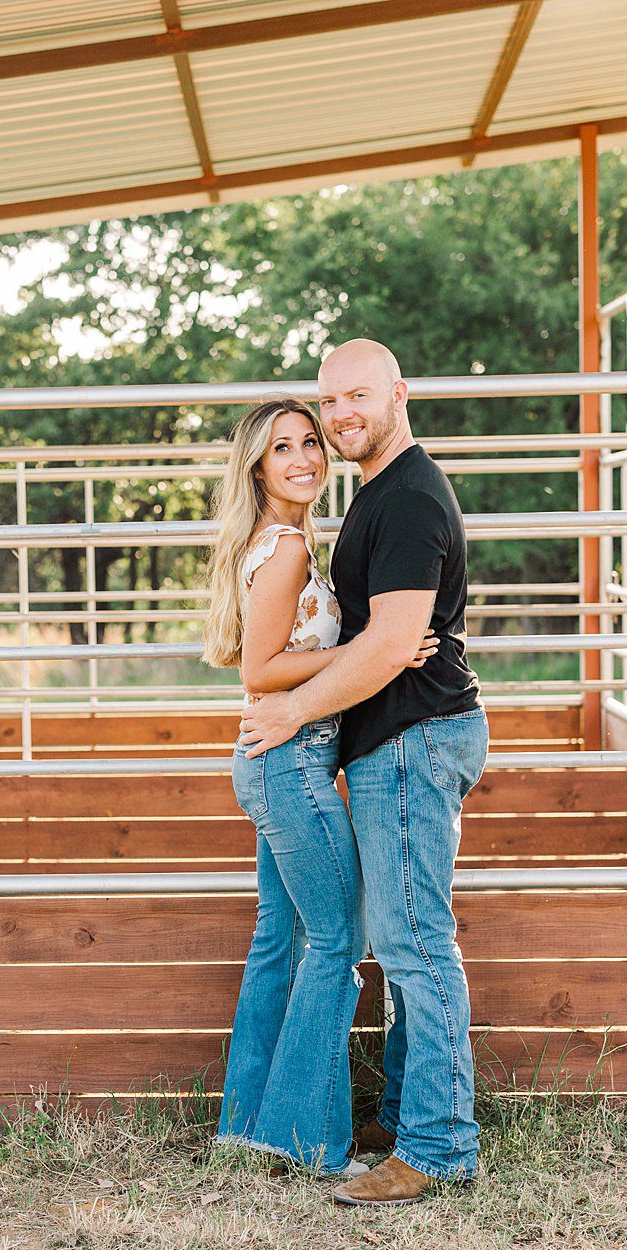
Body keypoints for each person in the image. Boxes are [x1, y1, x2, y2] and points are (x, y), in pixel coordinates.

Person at [240, 339, 489, 1207]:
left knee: (417, 947)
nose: (341, 415)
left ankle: (439, 1146)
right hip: (391, 743)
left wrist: (293, 709)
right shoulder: (378, 496)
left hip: (415, 739)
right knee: (402, 944)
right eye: (330, 400)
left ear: (398, 395)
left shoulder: (412, 498)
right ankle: (408, 1113)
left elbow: (390, 645)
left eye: (358, 397)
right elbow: (373, 640)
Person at [203, 397, 434, 1177]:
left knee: (282, 940)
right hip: (290, 763)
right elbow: (259, 669)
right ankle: (310, 1140)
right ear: (257, 467)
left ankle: (247, 1122)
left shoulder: (286, 540)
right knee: (338, 940)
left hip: (282, 762)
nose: (304, 457)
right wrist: (378, 644)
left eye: (310, 442)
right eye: (283, 449)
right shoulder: (288, 550)